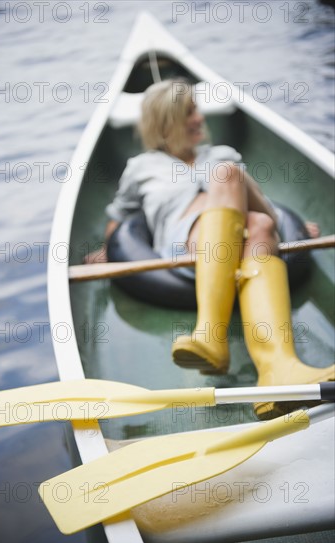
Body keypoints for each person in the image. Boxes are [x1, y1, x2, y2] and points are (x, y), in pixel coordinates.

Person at [85, 79, 334, 419]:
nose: (200, 118)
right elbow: (119, 219)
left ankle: (271, 366)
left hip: (247, 226)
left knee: (249, 207)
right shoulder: (141, 168)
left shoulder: (221, 155)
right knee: (248, 211)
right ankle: (248, 352)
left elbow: (256, 205)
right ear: (166, 122)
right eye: (189, 112)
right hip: (187, 243)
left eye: (198, 109)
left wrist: (298, 225)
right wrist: (108, 248)